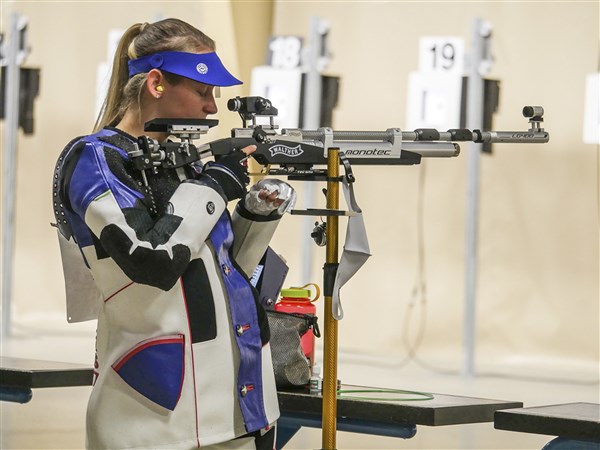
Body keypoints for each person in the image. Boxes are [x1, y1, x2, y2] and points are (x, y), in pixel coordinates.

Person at [52, 18, 296, 450]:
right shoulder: (95, 158)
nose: (212, 108)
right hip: (158, 412)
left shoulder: (186, 160)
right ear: (157, 83)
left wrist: (258, 212)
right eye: (203, 92)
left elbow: (223, 263)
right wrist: (213, 186)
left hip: (240, 401)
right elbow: (152, 258)